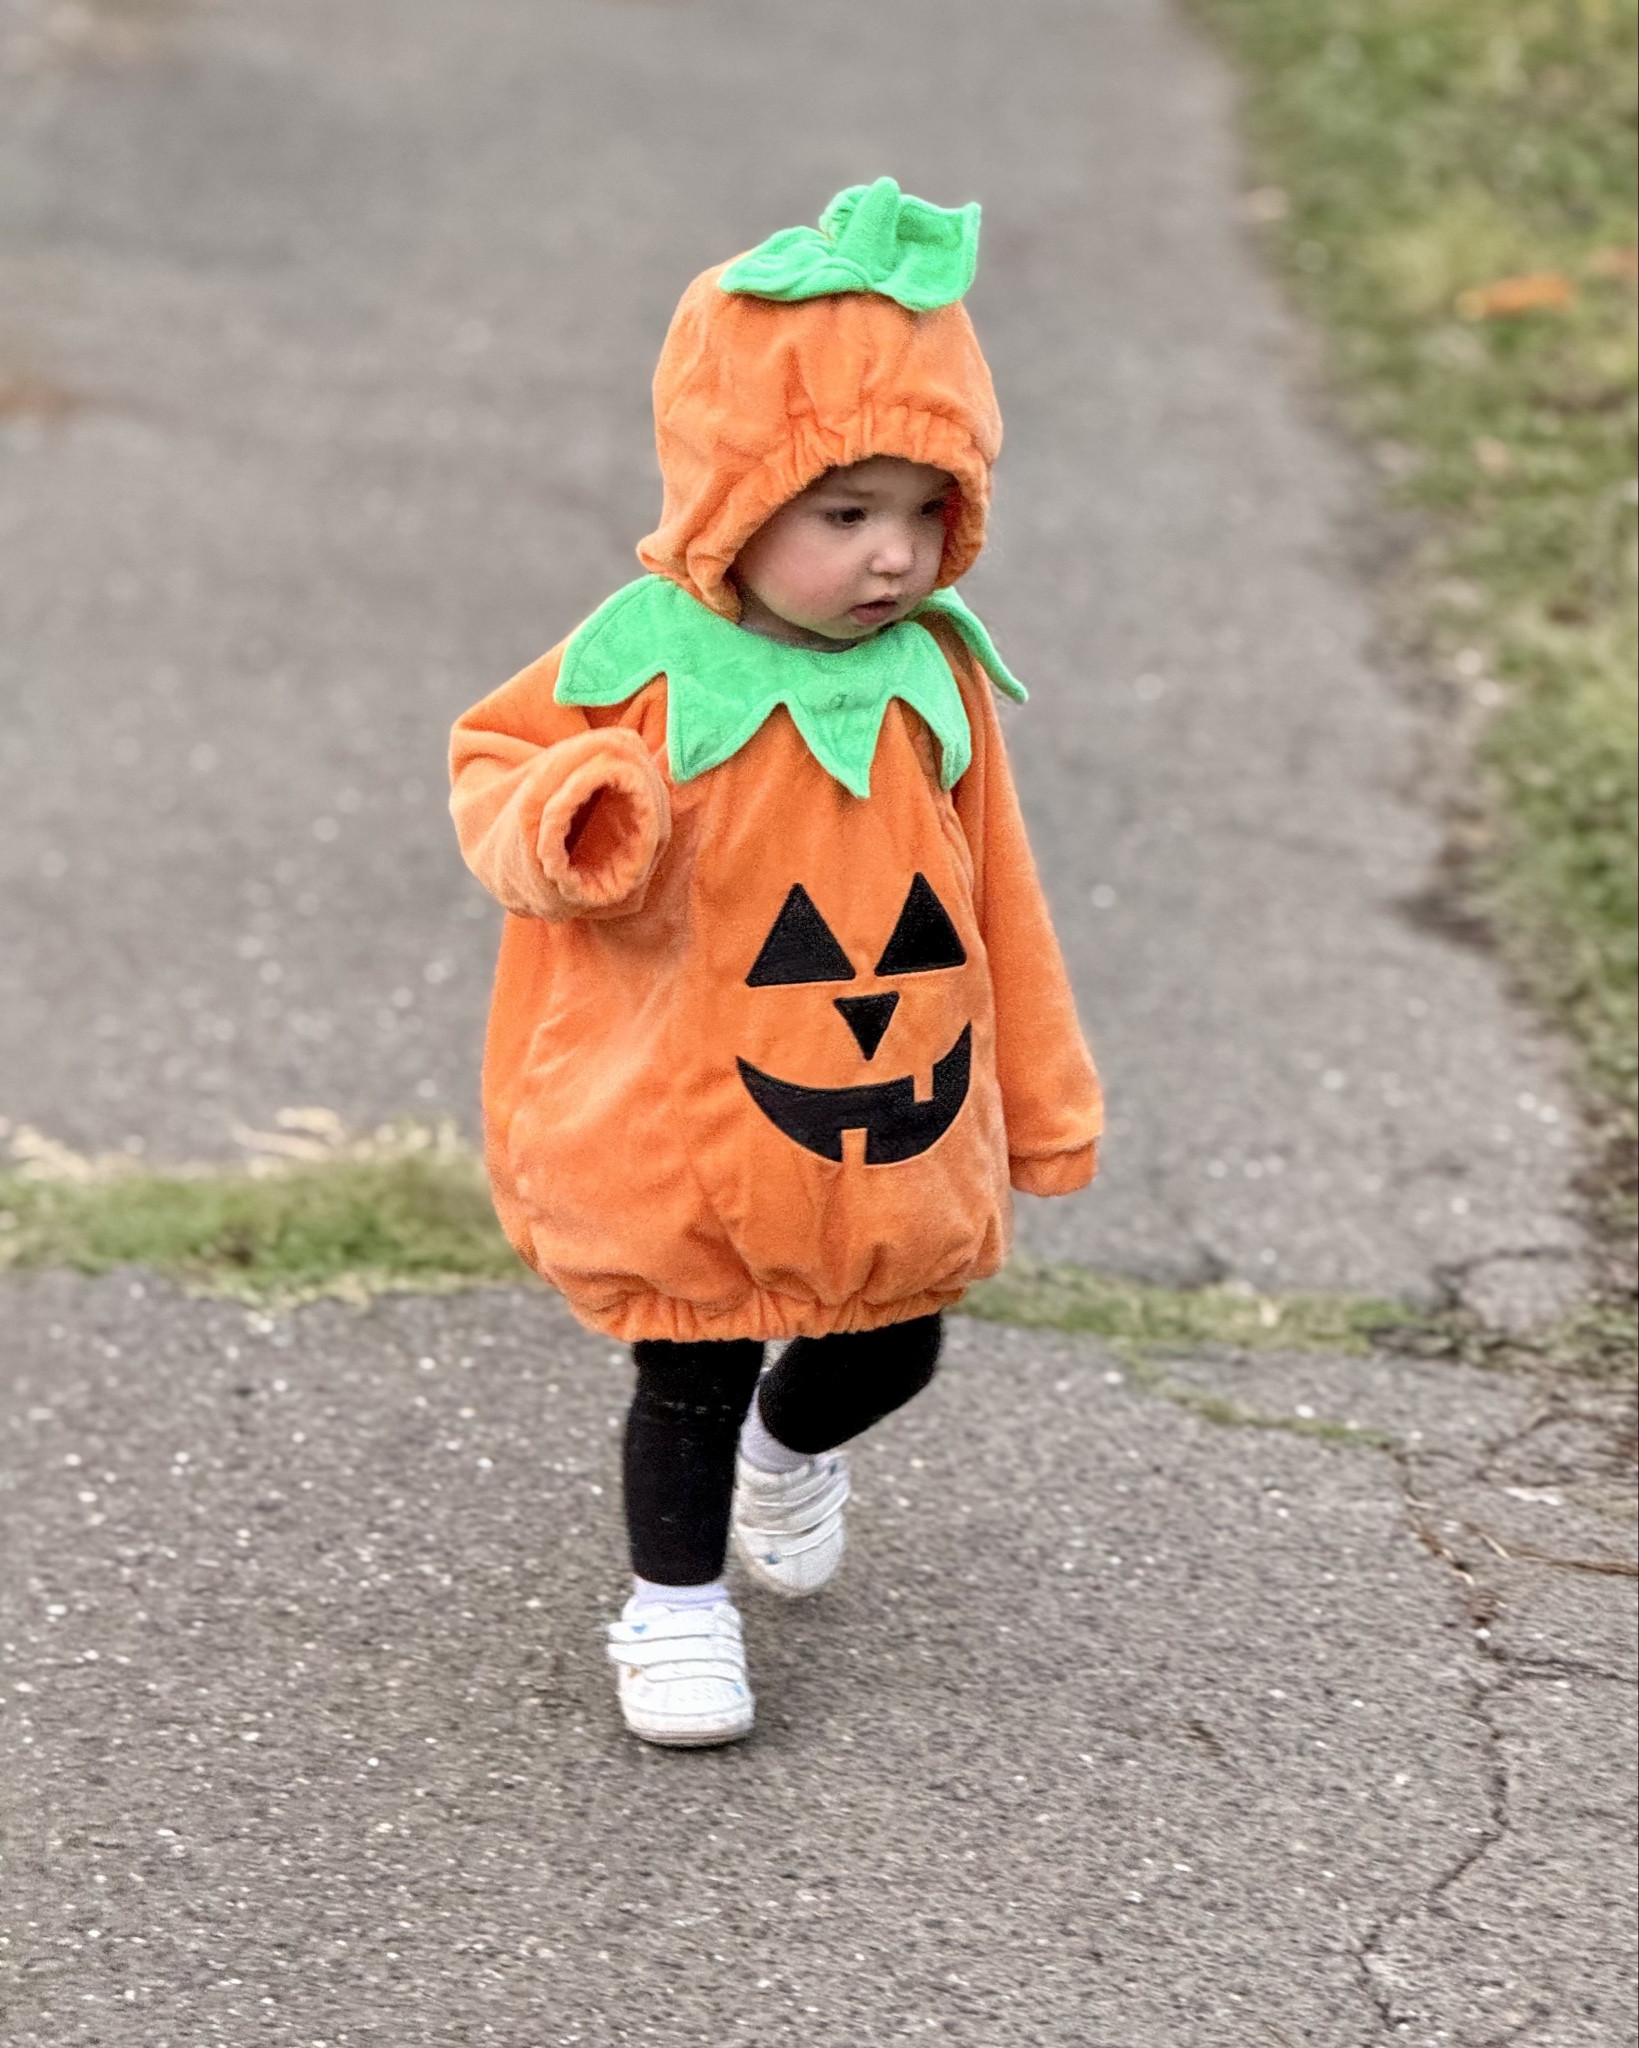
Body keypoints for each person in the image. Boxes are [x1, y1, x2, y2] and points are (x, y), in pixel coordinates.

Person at [449, 179, 1102, 1746]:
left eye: (923, 511)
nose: (891, 556)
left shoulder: (934, 674)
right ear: (738, 500)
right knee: (690, 1359)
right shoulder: (636, 659)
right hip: (684, 1101)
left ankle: (793, 1449)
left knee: (896, 1340)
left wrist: (1045, 1097)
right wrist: (571, 819)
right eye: (842, 512)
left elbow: (1000, 898)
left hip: (892, 1109)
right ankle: (672, 1609)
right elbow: (495, 765)